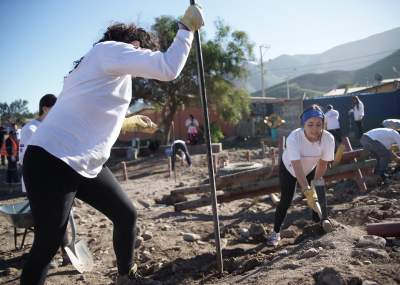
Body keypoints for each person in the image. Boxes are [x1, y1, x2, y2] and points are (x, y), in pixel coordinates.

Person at [20, 5, 204, 285]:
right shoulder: (109, 51)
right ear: (134, 45)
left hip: (83, 163)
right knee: (48, 242)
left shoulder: (107, 70)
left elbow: (92, 115)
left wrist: (127, 122)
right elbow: (168, 68)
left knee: (125, 214)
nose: (141, 60)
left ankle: (125, 278)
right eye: (142, 51)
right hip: (52, 160)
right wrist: (186, 29)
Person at [266, 105, 335, 247]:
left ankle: (319, 226)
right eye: (310, 124)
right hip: (289, 168)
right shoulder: (294, 137)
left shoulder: (328, 139)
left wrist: (314, 185)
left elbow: (322, 164)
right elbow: (297, 166)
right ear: (303, 124)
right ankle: (275, 232)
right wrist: (306, 190)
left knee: (316, 196)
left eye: (318, 124)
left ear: (323, 124)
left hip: (310, 167)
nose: (315, 129)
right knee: (286, 200)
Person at [19, 94, 58, 192]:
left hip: (52, 179)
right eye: (55, 109)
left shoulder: (53, 127)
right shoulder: (30, 129)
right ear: (45, 109)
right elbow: (23, 158)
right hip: (36, 181)